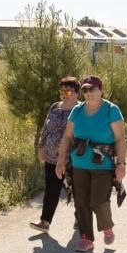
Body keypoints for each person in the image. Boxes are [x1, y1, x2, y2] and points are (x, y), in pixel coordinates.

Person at [56, 75, 127, 253]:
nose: (89, 93)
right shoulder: (77, 111)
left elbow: (119, 139)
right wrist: (61, 160)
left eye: (92, 89)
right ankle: (86, 238)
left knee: (98, 201)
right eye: (85, 90)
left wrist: (121, 164)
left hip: (103, 165)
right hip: (79, 164)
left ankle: (107, 226)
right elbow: (67, 137)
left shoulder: (111, 110)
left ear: (101, 90)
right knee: (81, 202)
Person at [30, 77, 81, 234]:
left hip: (73, 159)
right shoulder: (55, 107)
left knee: (79, 190)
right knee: (51, 190)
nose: (64, 94)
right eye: (62, 91)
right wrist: (41, 146)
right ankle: (45, 222)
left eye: (68, 91)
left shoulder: (80, 110)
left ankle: (80, 218)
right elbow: (46, 128)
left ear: (77, 93)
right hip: (52, 157)